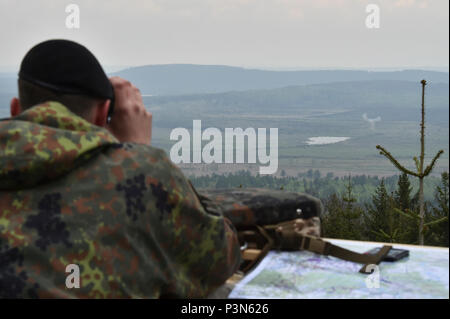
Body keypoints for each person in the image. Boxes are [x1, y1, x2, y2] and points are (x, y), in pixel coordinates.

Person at [0, 39, 241, 298]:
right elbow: (220, 259)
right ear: (103, 115)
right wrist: (138, 151)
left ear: (16, 110)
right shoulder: (142, 174)